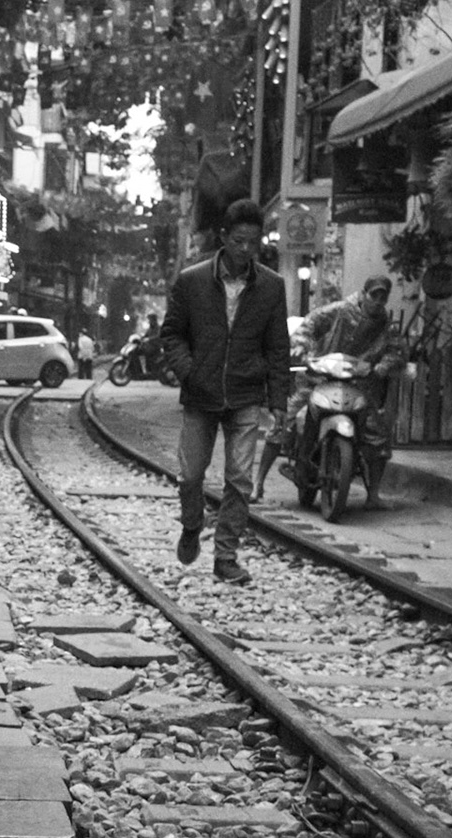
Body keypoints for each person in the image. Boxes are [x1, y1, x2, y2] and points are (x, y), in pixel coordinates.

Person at [157, 200, 293, 586]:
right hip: (200, 395)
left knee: (239, 478)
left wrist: (278, 400)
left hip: (246, 394)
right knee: (190, 475)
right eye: (238, 241)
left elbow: (278, 347)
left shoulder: (271, 286)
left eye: (253, 242)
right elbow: (172, 334)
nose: (245, 249)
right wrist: (190, 372)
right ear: (223, 238)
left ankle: (226, 556)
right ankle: (192, 523)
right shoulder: (192, 280)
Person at [257, 274, 404, 508]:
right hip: (317, 380)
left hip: (358, 387)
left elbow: (396, 351)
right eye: (373, 295)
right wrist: (302, 347)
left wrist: (382, 367)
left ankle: (373, 494)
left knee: (378, 435)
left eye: (382, 297)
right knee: (284, 421)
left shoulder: (386, 326)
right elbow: (309, 324)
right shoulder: (339, 310)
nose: (377, 301)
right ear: (364, 294)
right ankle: (258, 483)